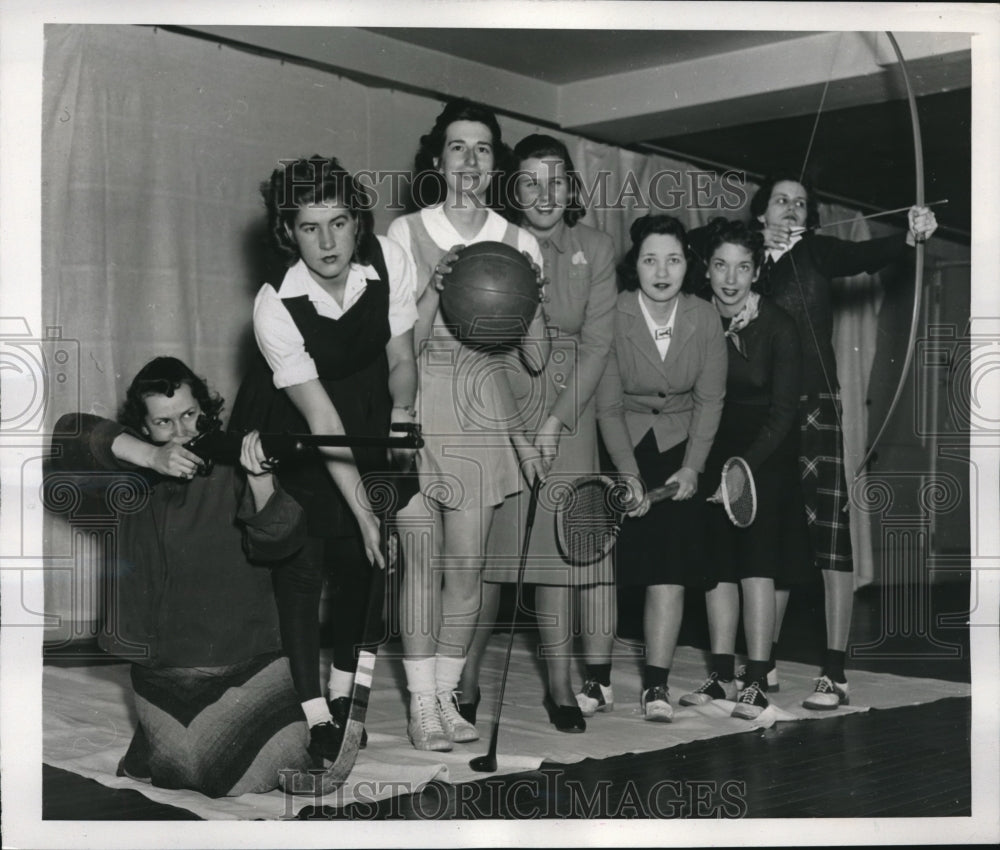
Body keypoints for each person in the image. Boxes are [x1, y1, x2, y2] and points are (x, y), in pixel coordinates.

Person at [690, 175, 938, 709]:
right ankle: (764, 662)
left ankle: (834, 671)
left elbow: (873, 252)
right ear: (761, 213)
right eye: (781, 201)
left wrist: (913, 235)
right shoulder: (745, 265)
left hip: (814, 410)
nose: (791, 210)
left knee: (827, 536)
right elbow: (697, 260)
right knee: (766, 534)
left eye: (801, 204)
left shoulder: (820, 251)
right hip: (756, 419)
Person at [45, 357, 312, 797]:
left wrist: (261, 479)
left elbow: (282, 543)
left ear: (205, 409)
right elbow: (68, 434)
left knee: (280, 766)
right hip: (166, 661)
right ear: (143, 428)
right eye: (164, 423)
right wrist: (151, 457)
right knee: (196, 774)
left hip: (244, 654)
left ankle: (154, 743)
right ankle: (155, 742)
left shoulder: (230, 463)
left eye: (190, 414)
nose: (183, 431)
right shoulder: (130, 472)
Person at [229, 156, 419, 763]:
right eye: (310, 227)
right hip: (303, 427)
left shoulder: (391, 258)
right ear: (288, 232)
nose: (328, 241)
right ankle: (311, 713)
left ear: (358, 222)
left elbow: (402, 360)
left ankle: (343, 695)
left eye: (339, 222)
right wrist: (362, 507)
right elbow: (322, 421)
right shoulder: (273, 306)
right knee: (306, 566)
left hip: (369, 407)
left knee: (364, 560)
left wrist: (404, 411)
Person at [386, 99, 548, 750]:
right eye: (458, 147)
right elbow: (401, 348)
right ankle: (421, 705)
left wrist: (530, 294)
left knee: (467, 569)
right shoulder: (404, 234)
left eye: (483, 149)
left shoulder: (519, 241)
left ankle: (448, 695)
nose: (470, 161)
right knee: (420, 566)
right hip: (418, 410)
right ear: (436, 159)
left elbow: (534, 360)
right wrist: (435, 286)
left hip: (482, 418)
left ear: (494, 164)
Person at [455, 134, 617, 732]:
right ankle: (465, 681)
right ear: (512, 189)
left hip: (569, 412)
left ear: (572, 187)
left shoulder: (596, 248)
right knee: (492, 557)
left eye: (556, 181)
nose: (544, 194)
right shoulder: (492, 245)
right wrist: (519, 429)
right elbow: (481, 346)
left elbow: (598, 345)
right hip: (502, 408)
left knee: (559, 558)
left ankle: (560, 685)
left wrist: (554, 423)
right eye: (529, 181)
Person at [595, 214, 727, 721]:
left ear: (686, 265)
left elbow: (711, 401)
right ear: (636, 265)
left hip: (678, 450)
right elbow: (607, 406)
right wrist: (626, 472)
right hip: (620, 445)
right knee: (605, 571)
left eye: (673, 259)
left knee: (668, 568)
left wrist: (693, 468)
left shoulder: (705, 316)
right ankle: (597, 679)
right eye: (651, 259)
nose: (662, 270)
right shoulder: (614, 312)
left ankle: (656, 686)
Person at [676, 218, 806, 719]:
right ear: (706, 269)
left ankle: (756, 678)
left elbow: (783, 413)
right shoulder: (694, 318)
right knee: (717, 568)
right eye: (721, 266)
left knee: (756, 566)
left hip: (763, 458)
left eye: (743, 267)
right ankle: (722, 675)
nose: (731, 279)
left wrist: (741, 468)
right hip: (709, 451)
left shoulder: (779, 325)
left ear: (757, 273)